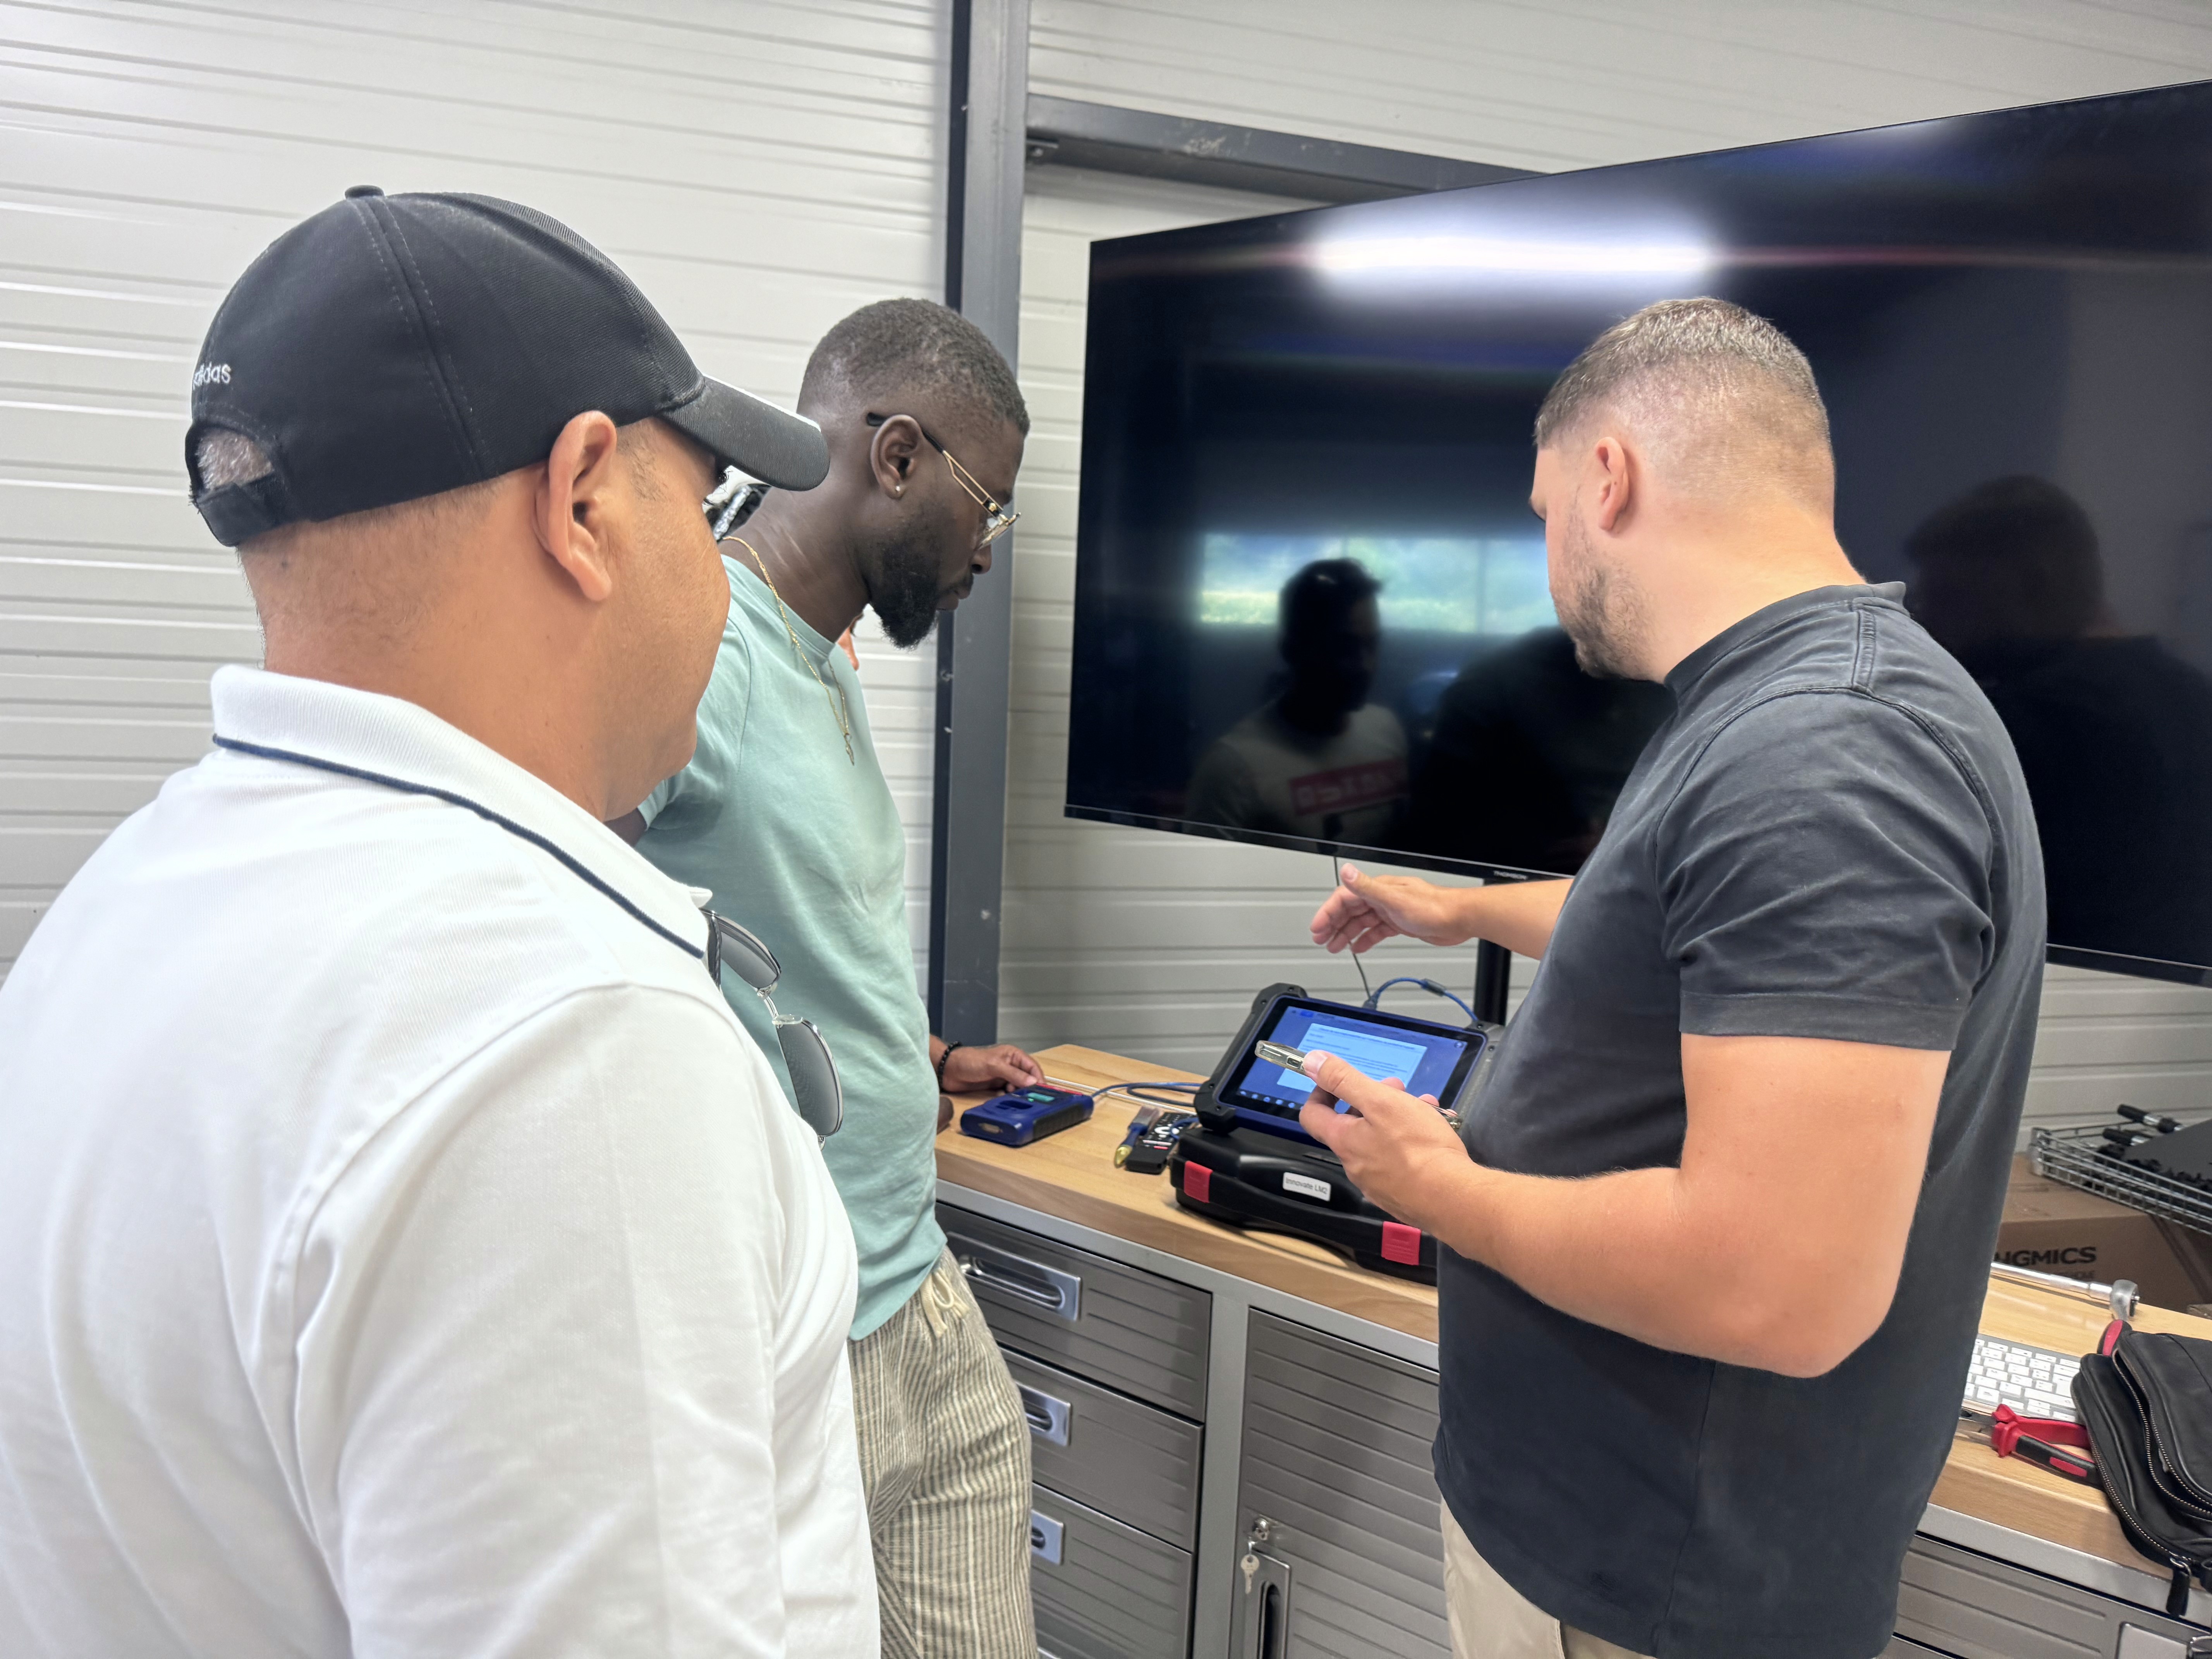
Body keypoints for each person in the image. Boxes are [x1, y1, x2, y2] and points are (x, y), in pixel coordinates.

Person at [0, 190, 876, 1657]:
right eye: (709, 506)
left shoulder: (110, 919)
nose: (726, 584)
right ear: (585, 499)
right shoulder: (566, 1047)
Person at [1302, 298, 2043, 1659]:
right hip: (1613, 1550)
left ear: (1609, 475)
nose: (1547, 561)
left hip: (1649, 1593)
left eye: (1541, 515)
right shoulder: (1789, 706)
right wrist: (1449, 907)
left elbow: (1782, 1284)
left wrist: (1442, 1187)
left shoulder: (1831, 752)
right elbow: (1684, 923)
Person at [618, 297, 1043, 1659]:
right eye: (990, 505)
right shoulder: (701, 656)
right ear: (900, 457)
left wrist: (906, 1056)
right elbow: (574, 944)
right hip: (792, 1336)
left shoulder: (820, 655)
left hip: (914, 1284)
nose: (987, 548)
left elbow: (773, 923)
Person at [1906, 474, 2212, 966]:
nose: (1924, 622)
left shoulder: (2039, 718)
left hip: (2050, 1010)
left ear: (2035, 587)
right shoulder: (2190, 694)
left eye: (1949, 598)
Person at [1186, 557, 1410, 845]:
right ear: (1294, 650)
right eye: (1345, 647)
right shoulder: (1233, 770)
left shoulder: (1386, 730)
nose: (1365, 666)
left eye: (1372, 645)